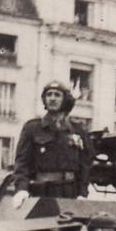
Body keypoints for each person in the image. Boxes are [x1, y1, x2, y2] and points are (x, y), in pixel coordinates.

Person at [12, 80, 94, 209]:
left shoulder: (78, 130)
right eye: (49, 95)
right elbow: (22, 163)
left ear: (65, 100)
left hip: (70, 193)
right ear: (44, 99)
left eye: (57, 95)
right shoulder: (32, 128)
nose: (52, 98)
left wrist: (83, 193)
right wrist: (21, 189)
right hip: (41, 191)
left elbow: (85, 165)